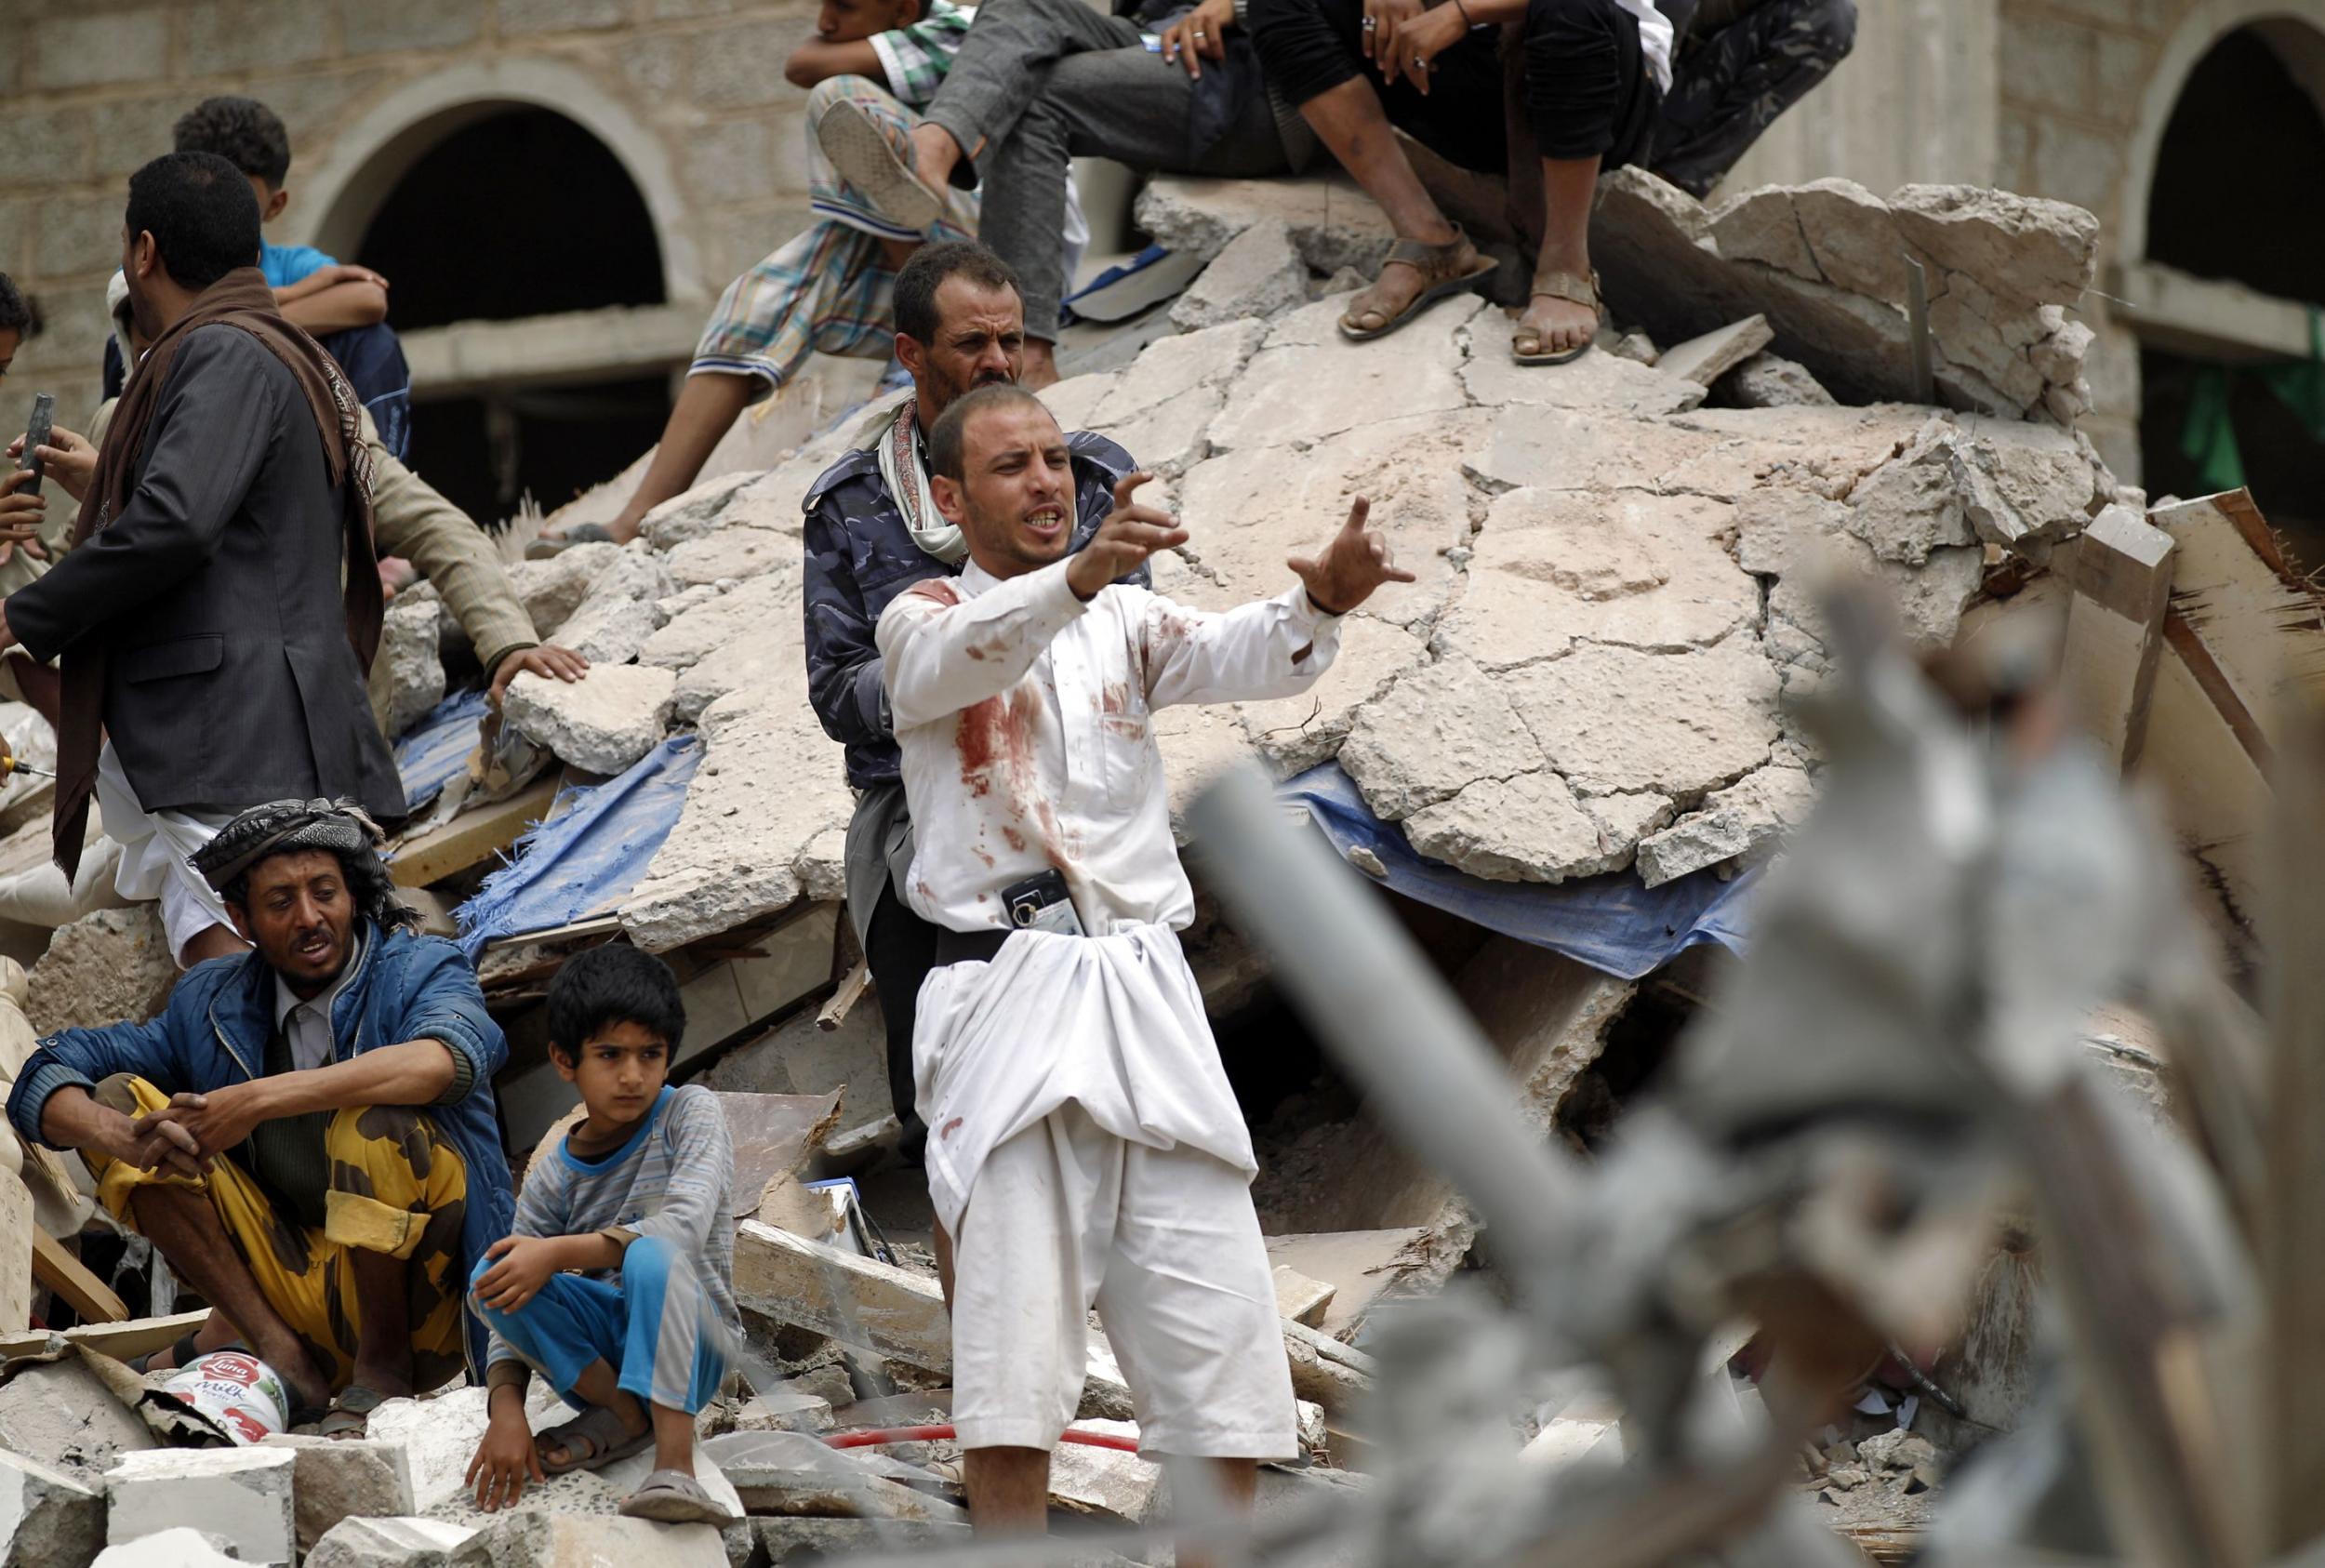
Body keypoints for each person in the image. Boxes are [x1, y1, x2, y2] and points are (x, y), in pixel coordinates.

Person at [876, 382, 1414, 1548]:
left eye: (1057, 460)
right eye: (1011, 466)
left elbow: (1244, 652)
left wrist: (1323, 594)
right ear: (950, 496)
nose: (1046, 483)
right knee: (1013, 1367)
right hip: (1008, 995)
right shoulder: (920, 618)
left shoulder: (1123, 621)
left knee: (1218, 1354)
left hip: (1142, 994)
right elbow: (950, 667)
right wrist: (1073, 581)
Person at [0, 152, 405, 970]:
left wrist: (21, 616)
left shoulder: (222, 351)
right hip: (244, 727)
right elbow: (227, 517)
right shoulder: (271, 345)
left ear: (143, 251)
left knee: (262, 960)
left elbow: (179, 525)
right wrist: (107, 482)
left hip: (232, 730)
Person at [2, 798, 516, 1434]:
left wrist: (259, 1099)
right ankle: (281, 1355)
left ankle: (381, 1372)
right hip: (295, 1293)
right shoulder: (212, 1002)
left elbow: (445, 1061)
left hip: (426, 1308)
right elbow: (54, 1066)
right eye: (280, 903)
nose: (309, 918)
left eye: (324, 892)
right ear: (241, 919)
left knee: (376, 1120)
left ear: (351, 897)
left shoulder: (418, 967)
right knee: (119, 1102)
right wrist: (123, 1138)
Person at [803, 241, 1143, 1164]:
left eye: (1012, 340)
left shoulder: (1088, 478)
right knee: (957, 1123)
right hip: (925, 827)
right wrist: (940, 681)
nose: (999, 362)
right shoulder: (852, 505)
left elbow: (1131, 644)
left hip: (1074, 811)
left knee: (1120, 1098)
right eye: (971, 344)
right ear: (910, 355)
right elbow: (839, 693)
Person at [20, 271, 587, 738]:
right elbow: (76, 567)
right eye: (150, 333)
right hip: (171, 734)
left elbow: (436, 527)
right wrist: (34, 528)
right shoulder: (117, 426)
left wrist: (508, 644)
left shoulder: (319, 412)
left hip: (314, 723)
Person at [537, 0, 982, 551]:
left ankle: (924, 301)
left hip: (995, 271)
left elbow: (804, 67)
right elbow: (802, 57)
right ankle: (636, 517)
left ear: (905, 10)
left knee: (837, 98)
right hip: (922, 254)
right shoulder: (894, 40)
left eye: (843, 7)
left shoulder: (969, 28)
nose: (824, 22)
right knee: (761, 298)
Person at [1248, 0, 1849, 362]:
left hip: (1598, 89)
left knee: (1571, 7)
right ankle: (1428, 239)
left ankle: (1566, 262)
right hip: (1458, 80)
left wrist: (1459, 12)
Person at [823, 0, 1316, 390]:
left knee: (1035, 95)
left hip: (1259, 64)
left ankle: (1027, 351)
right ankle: (935, 145)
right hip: (1158, 33)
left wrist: (1243, 4)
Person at [465, 945, 737, 1526]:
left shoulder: (690, 1113)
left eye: (651, 1054)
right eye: (609, 1055)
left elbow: (683, 1228)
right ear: (565, 1061)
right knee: (491, 1277)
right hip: (608, 1358)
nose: (633, 1075)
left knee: (651, 1257)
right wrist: (505, 1409)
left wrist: (561, 1252)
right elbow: (505, 1301)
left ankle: (675, 1468)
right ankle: (622, 1412)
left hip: (696, 1339)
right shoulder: (554, 1178)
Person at [160, 97, 412, 458]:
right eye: (207, 193)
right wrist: (300, 294)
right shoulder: (153, 264)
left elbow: (369, 299)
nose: (220, 211)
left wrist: (228, 324)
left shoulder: (287, 265)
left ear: (275, 206)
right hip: (194, 443)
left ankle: (371, 486)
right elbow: (160, 332)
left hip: (278, 440)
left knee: (373, 342)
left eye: (240, 197)